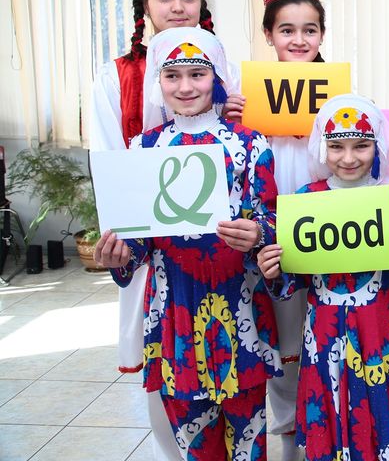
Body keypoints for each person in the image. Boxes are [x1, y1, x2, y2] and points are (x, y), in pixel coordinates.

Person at [95, 27, 281, 460]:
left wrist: (259, 234)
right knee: (195, 442)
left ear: (216, 77)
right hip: (174, 310)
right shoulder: (143, 148)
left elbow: (272, 219)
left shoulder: (251, 144)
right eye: (172, 75)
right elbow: (139, 241)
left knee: (249, 442)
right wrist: (120, 255)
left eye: (197, 74)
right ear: (157, 81)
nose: (185, 87)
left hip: (240, 307)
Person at [89, 0, 226, 461]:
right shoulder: (117, 77)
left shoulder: (222, 68)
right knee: (165, 364)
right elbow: (108, 160)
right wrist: (122, 237)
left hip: (219, 251)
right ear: (144, 6)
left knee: (225, 362)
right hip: (154, 246)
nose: (177, 7)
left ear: (202, 4)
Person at [256, 94, 389, 461]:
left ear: (378, 145)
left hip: (381, 329)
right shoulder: (307, 198)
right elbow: (293, 280)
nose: (349, 158)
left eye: (361, 146)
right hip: (325, 330)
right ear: (322, 147)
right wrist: (274, 271)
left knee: (383, 420)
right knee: (331, 420)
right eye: (336, 146)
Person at [223, 0, 328, 461]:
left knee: (322, 334)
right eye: (287, 30)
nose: (299, 40)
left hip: (328, 233)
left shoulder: (340, 96)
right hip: (269, 237)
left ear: (322, 34)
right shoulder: (247, 98)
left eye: (310, 29)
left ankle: (326, 431)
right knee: (283, 341)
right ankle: (288, 440)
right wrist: (229, 118)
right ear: (269, 35)